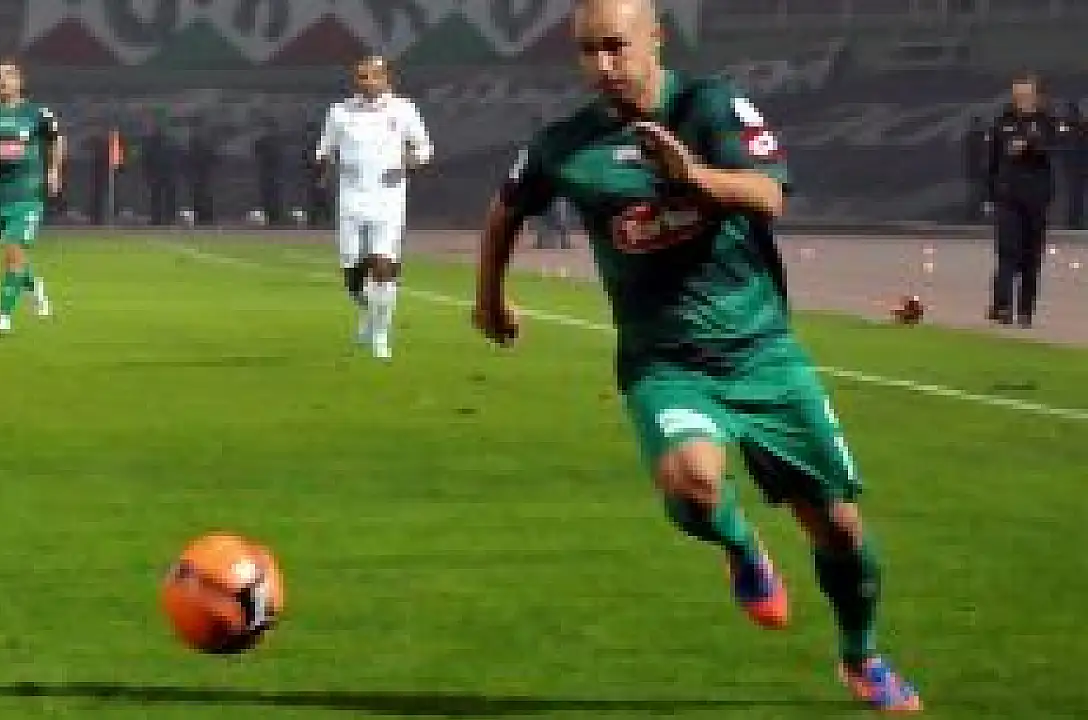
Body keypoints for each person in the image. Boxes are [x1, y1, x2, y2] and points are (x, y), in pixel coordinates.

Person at [471, 0, 921, 712]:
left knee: (837, 526)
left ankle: (861, 656)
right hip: (664, 361)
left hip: (763, 353)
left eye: (616, 46)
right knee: (693, 484)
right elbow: (506, 208)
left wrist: (694, 177)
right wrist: (489, 298)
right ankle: (742, 548)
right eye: (588, 51)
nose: (603, 65)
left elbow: (768, 195)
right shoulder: (565, 143)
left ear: (656, 38)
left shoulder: (712, 108)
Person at [314, 55, 433, 360]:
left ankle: (381, 335)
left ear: (386, 78)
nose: (366, 82)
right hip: (351, 199)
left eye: (372, 76)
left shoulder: (404, 109)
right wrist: (322, 172)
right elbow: (325, 150)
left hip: (388, 199)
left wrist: (407, 163)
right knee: (353, 277)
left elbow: (424, 148)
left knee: (383, 265)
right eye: (361, 76)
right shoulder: (340, 111)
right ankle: (369, 312)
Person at [0, 57, 62, 334]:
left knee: (13, 252)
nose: (3, 81)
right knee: (12, 251)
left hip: (28, 192)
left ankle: (3, 317)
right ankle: (35, 287)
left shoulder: (37, 114)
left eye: (8, 76)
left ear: (20, 82)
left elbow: (55, 140)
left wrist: (53, 171)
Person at [983, 74, 1070, 328]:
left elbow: (1054, 148)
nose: (1021, 100)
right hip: (1008, 197)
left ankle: (1025, 311)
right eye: (1017, 95)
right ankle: (1002, 307)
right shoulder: (1003, 122)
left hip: (1036, 199)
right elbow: (992, 161)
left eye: (1026, 95)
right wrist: (989, 195)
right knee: (1007, 252)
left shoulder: (1047, 122)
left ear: (1036, 97)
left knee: (1031, 256)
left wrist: (1029, 145)